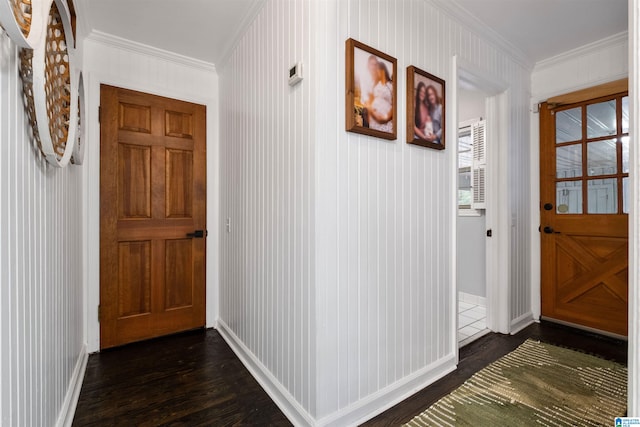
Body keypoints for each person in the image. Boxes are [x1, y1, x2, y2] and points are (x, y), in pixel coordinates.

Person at [365, 60, 393, 132]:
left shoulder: (391, 85)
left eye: (378, 70)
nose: (377, 72)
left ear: (383, 70)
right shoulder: (374, 84)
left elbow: (394, 104)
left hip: (386, 119)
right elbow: (369, 102)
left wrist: (386, 117)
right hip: (374, 118)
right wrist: (372, 113)